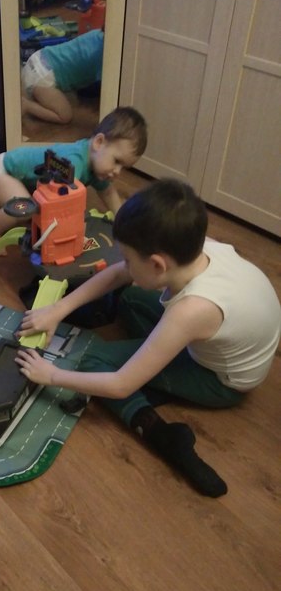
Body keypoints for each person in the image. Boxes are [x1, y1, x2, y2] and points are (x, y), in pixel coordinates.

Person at [15, 179, 281, 498]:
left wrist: (51, 375)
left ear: (157, 264)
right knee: (131, 298)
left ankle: (159, 432)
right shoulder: (200, 248)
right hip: (229, 342)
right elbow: (119, 274)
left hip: (222, 382)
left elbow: (120, 385)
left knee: (95, 361)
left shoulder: (191, 310)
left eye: (128, 258)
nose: (124, 264)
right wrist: (57, 310)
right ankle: (154, 367)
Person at [0, 106, 147, 250]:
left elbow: (108, 193)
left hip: (14, 173)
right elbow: (63, 203)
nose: (117, 171)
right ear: (99, 142)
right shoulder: (73, 161)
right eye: (116, 161)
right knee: (24, 208)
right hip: (3, 170)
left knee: (17, 198)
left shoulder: (98, 164)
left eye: (123, 167)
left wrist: (121, 220)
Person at [21, 29, 104, 125]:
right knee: (64, 116)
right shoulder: (102, 55)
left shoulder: (97, 33)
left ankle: (39, 97)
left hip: (39, 57)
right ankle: (27, 105)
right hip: (41, 76)